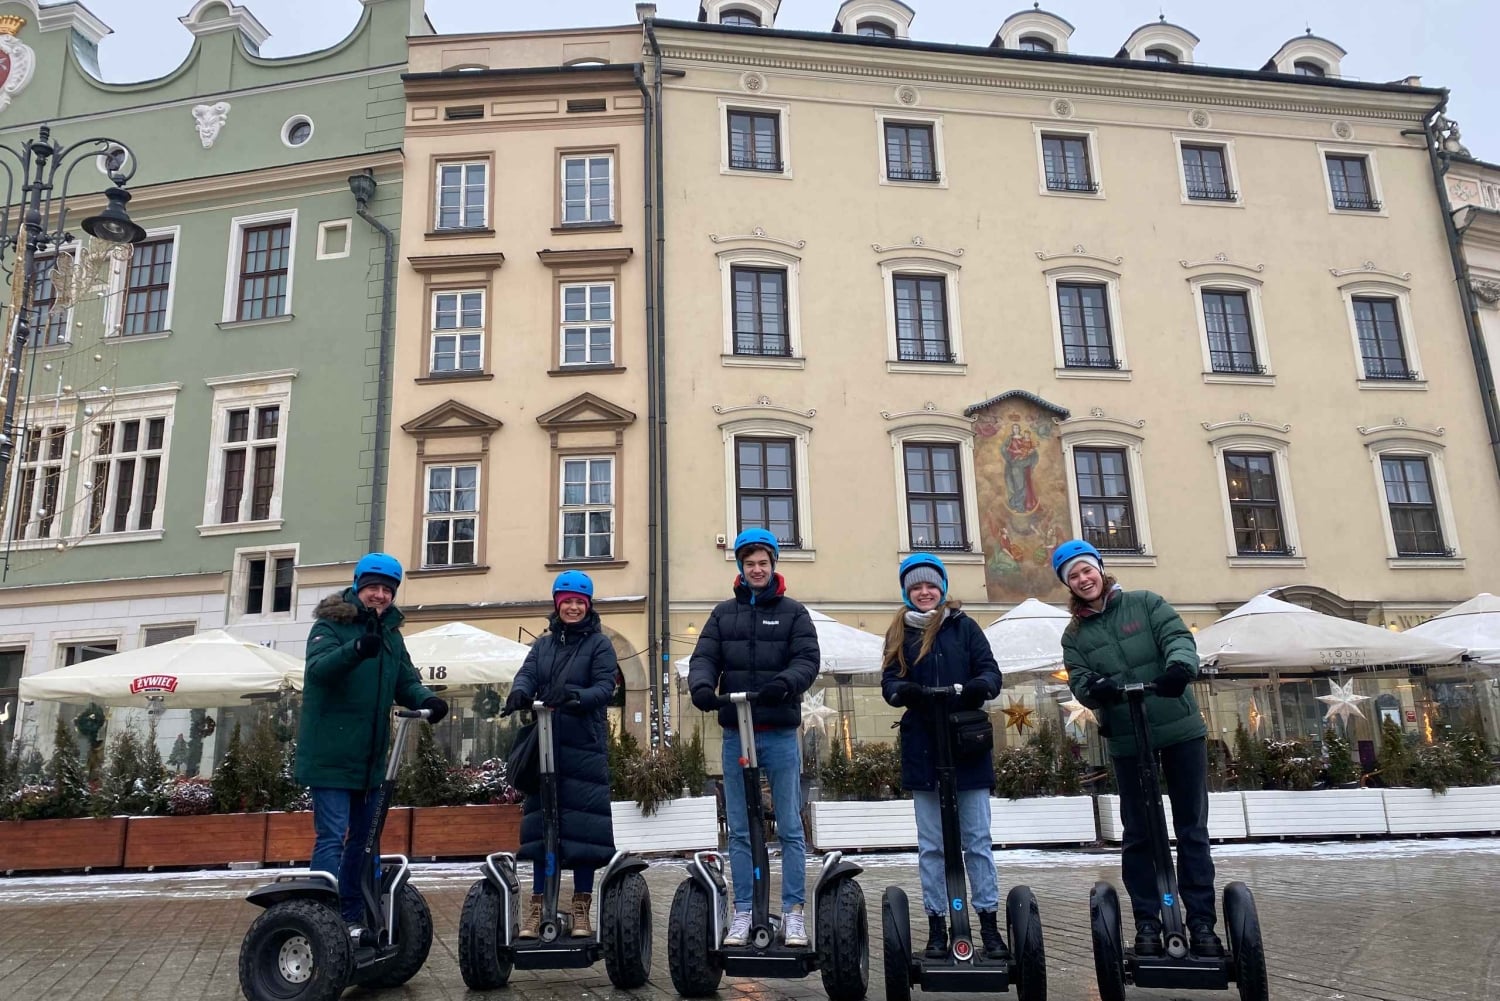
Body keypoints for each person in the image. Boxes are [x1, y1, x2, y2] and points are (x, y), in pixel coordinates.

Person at [1055, 539, 1222, 958]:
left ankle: (1201, 920)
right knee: (1139, 834)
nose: (1083, 579)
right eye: (1073, 576)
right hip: (1129, 739)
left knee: (1191, 829)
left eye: (1085, 570)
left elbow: (1177, 637)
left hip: (1180, 729)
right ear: (1068, 585)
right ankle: (1149, 920)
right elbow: (1078, 678)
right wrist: (1096, 688)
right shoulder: (1074, 635)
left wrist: (1180, 668)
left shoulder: (1146, 603)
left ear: (1099, 569)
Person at [296, 553, 449, 928]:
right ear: (358, 587)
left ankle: (354, 913)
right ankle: (322, 918)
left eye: (386, 590)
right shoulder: (330, 624)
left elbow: (405, 679)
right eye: (372, 588)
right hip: (331, 756)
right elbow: (318, 671)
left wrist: (427, 699)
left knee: (365, 840)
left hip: (370, 760)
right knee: (332, 836)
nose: (379, 595)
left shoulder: (391, 635)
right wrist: (355, 649)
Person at [687, 528, 819, 948]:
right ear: (741, 568)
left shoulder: (794, 612)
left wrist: (787, 682)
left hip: (778, 731)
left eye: (763, 562)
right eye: (749, 564)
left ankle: (794, 912)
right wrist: (703, 686)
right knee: (741, 830)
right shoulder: (724, 614)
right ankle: (744, 910)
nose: (756, 569)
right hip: (736, 733)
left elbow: (807, 658)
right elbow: (704, 657)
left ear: (773, 565)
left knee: (790, 826)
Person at [879, 553, 1007, 961]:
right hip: (923, 747)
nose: (924, 592)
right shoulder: (899, 631)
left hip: (965, 745)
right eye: (915, 587)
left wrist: (976, 688)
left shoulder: (964, 627)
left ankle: (988, 922)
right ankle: (938, 925)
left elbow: (990, 672)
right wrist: (904, 692)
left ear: (942, 588)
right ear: (907, 592)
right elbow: (889, 680)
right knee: (931, 845)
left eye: (930, 585)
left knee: (978, 842)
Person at [503, 570, 619, 939]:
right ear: (557, 604)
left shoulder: (599, 645)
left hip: (583, 746)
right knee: (542, 829)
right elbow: (527, 674)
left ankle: (581, 908)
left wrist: (575, 697)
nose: (572, 607)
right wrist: (520, 693)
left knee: (583, 830)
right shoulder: (544, 645)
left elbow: (605, 686)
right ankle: (539, 906)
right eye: (566, 601)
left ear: (588, 606)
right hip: (546, 745)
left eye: (578, 602)